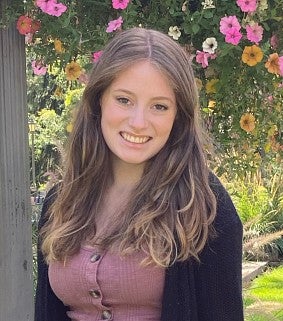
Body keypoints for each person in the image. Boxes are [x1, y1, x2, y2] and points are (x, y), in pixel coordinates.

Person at [35, 27, 244, 321]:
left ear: (178, 116)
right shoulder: (61, 201)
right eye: (124, 100)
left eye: (159, 106)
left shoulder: (206, 205)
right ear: (98, 101)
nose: (138, 122)